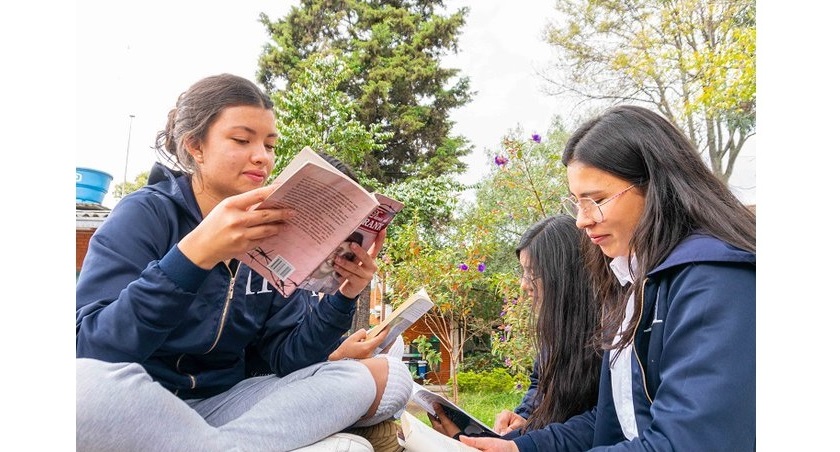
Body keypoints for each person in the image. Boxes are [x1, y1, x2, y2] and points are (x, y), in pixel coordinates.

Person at [76, 73, 412, 452]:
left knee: (386, 377)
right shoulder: (145, 214)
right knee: (81, 387)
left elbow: (289, 358)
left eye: (269, 145)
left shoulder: (271, 231)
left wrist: (343, 297)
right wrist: (194, 256)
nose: (262, 157)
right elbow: (92, 348)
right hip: (141, 399)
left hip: (226, 402)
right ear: (195, 146)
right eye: (241, 140)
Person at [458, 105, 756, 451]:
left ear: (656, 186)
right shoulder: (633, 282)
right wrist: (521, 448)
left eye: (597, 200)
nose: (582, 220)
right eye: (577, 203)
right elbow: (614, 423)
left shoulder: (713, 281)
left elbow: (686, 442)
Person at [429, 215, 601, 440]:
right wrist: (524, 416)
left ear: (565, 275)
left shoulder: (608, 336)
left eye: (533, 273)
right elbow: (540, 384)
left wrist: (521, 443)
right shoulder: (557, 330)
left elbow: (598, 422)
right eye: (523, 272)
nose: (524, 284)